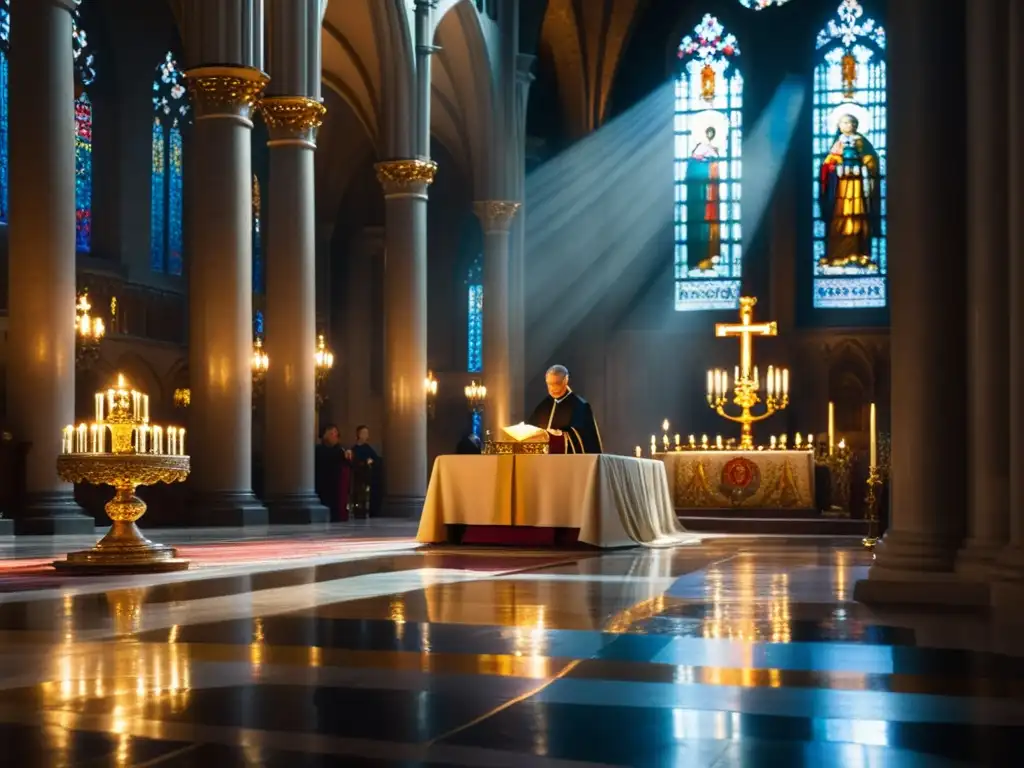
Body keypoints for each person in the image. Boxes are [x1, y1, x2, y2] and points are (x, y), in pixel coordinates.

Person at [818, 110, 881, 268]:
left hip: (858, 186)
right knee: (840, 218)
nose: (849, 125)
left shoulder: (861, 141)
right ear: (839, 125)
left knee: (859, 216)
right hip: (841, 189)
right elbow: (827, 165)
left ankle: (860, 253)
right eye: (845, 122)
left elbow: (872, 160)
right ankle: (837, 254)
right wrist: (835, 166)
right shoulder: (837, 143)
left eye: (852, 122)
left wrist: (864, 164)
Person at [526, 365, 603, 454]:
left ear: (566, 380)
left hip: (568, 461)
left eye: (557, 383)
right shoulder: (543, 406)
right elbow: (532, 429)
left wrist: (559, 435)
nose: (553, 388)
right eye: (550, 384)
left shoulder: (580, 406)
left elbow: (586, 440)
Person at [685, 124, 723, 271]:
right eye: (708, 133)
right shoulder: (698, 154)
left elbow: (715, 168)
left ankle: (712, 257)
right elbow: (693, 169)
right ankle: (697, 259)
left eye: (711, 134)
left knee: (711, 227)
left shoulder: (714, 153)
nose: (709, 137)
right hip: (699, 202)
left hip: (711, 200)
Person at [346, 425, 380, 518]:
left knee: (365, 495)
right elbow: (354, 462)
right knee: (357, 494)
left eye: (367, 434)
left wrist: (370, 462)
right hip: (357, 475)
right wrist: (364, 462)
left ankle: (365, 511)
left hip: (367, 475)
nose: (366, 436)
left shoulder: (368, 448)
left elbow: (375, 459)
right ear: (358, 435)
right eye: (364, 433)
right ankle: (357, 511)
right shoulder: (354, 449)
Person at [314, 424, 345, 519]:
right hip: (321, 480)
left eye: (336, 433)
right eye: (332, 433)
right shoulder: (318, 449)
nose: (334, 435)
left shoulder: (340, 450)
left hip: (335, 481)